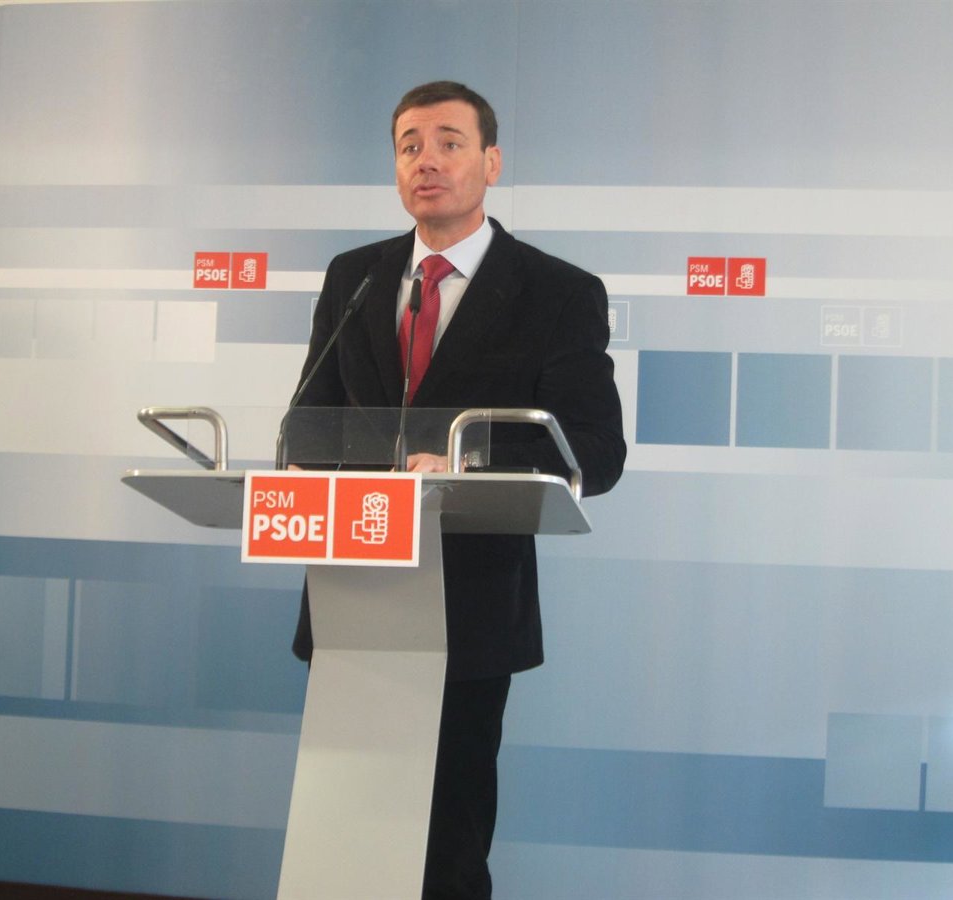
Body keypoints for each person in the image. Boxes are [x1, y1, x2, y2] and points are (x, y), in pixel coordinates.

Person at [289, 81, 626, 900]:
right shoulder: (355, 277)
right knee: (348, 831)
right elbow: (309, 425)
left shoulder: (556, 291)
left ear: (491, 162)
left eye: (449, 142)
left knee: (446, 840)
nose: (427, 161)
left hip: (465, 603)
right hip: (354, 590)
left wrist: (463, 461)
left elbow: (595, 450)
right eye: (409, 145)